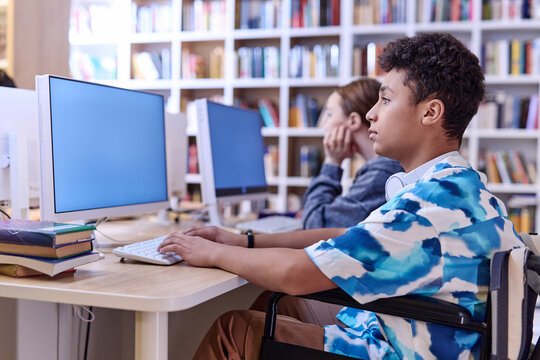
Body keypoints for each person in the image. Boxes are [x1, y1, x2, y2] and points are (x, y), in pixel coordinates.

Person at [158, 33, 523, 359]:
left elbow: (296, 274)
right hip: (421, 333)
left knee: (235, 330)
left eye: (385, 100)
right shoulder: (456, 185)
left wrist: (212, 252)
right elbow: (343, 237)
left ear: (431, 112)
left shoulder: (429, 204)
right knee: (282, 304)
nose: (370, 113)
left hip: (404, 347)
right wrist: (243, 240)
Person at [302, 78, 402, 229]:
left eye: (329, 115)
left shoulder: (382, 173)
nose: (324, 126)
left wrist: (331, 162)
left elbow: (314, 226)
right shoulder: (386, 165)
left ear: (353, 121)